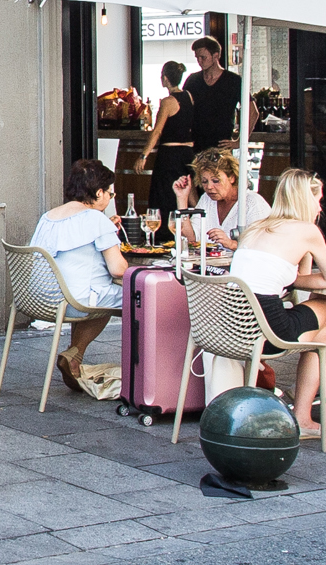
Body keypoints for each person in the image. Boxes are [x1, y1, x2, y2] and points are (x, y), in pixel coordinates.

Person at [224, 169, 326, 436]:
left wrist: (305, 259)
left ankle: (303, 415)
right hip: (266, 330)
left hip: (233, 326)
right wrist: (311, 247)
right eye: (318, 200)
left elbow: (294, 279)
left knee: (325, 335)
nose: (319, 206)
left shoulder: (257, 228)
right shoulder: (306, 230)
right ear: (306, 200)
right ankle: (305, 415)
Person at [31, 158, 129, 395]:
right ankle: (142, 371)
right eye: (110, 194)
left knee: (97, 293)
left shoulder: (49, 216)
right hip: (73, 301)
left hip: (39, 298)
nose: (110, 199)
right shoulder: (95, 219)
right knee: (136, 296)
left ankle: (73, 356)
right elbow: (118, 269)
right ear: (98, 193)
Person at [133, 59, 195, 216]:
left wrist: (143, 155)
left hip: (170, 156)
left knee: (165, 196)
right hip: (188, 153)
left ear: (166, 78)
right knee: (189, 194)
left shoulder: (168, 102)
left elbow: (157, 132)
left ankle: (165, 234)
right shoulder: (189, 96)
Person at [180, 148, 270, 254]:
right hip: (211, 265)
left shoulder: (253, 203)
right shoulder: (207, 199)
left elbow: (262, 247)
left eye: (216, 181)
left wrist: (230, 244)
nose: (209, 186)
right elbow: (191, 239)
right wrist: (182, 198)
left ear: (232, 178)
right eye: (204, 181)